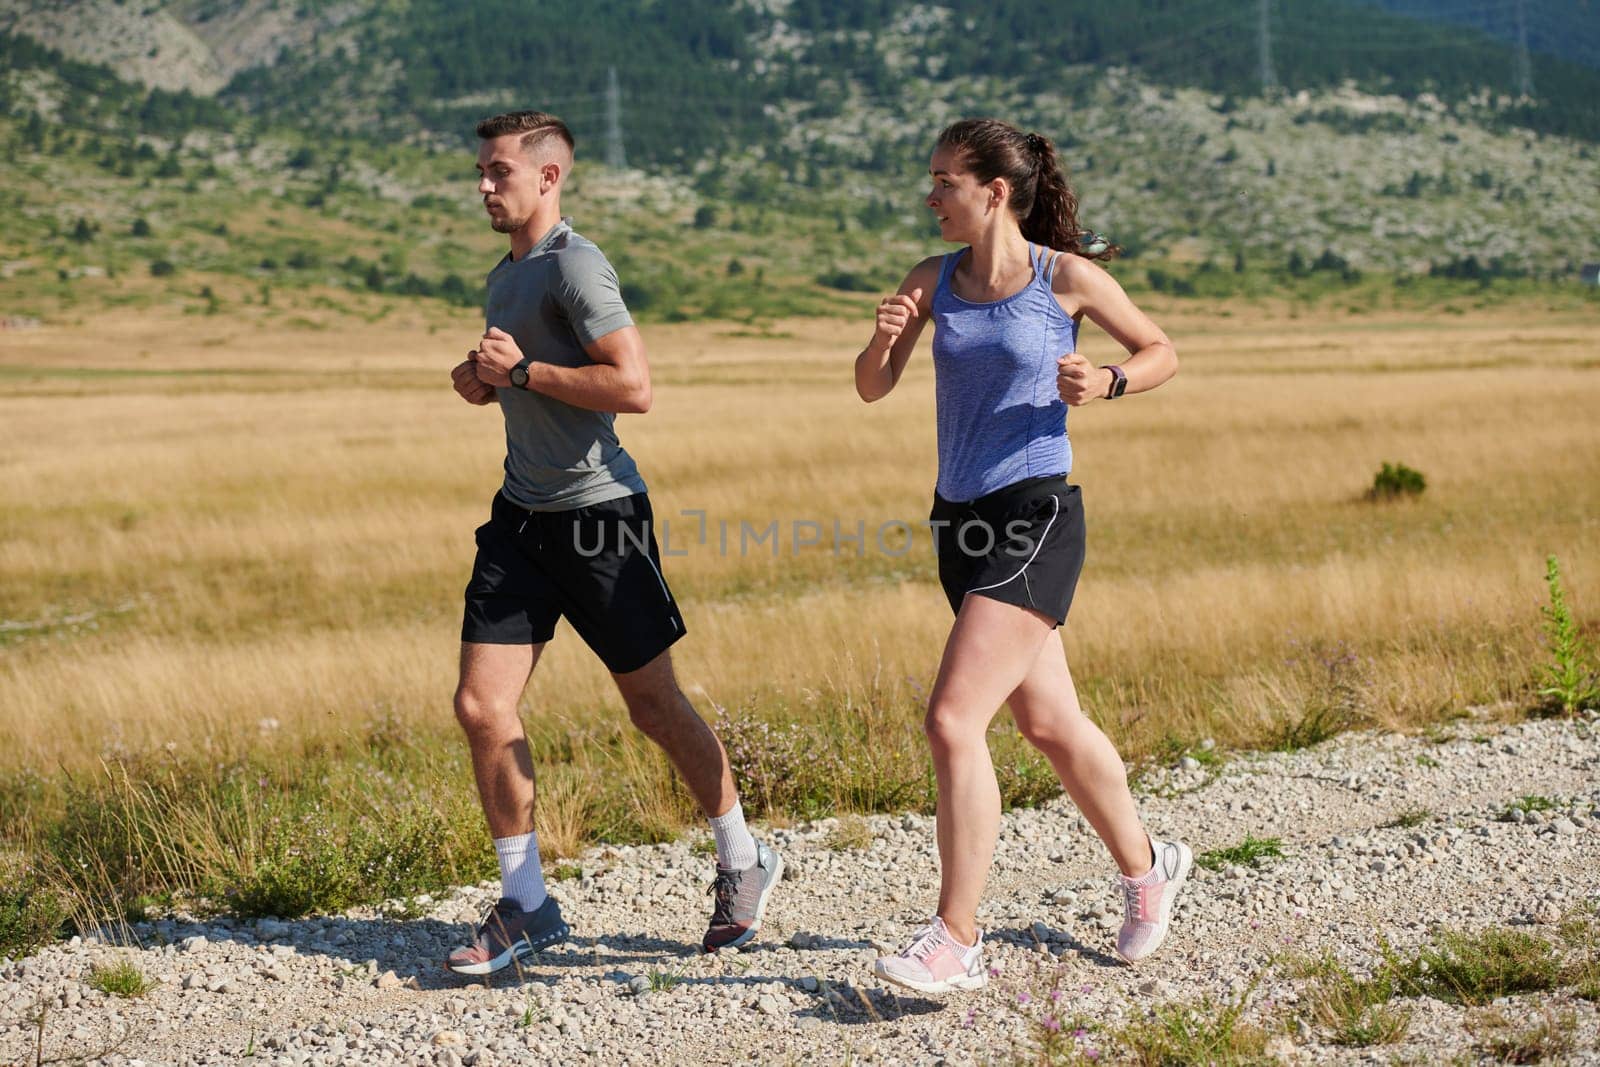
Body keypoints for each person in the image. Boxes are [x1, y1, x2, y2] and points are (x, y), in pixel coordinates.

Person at [853, 118, 1189, 994]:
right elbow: (870, 384)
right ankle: (1149, 866)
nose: (930, 197)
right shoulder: (932, 281)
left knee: (953, 718)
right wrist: (887, 335)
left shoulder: (1064, 278)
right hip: (957, 523)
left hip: (1035, 514)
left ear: (993, 191)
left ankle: (954, 938)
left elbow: (1161, 351)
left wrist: (1108, 380)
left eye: (944, 182)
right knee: (1048, 723)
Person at [444, 110, 781, 975]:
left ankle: (743, 857)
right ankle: (526, 903)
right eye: (480, 172)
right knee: (482, 707)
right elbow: (531, 381)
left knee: (653, 707)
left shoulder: (577, 266)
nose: (483, 185)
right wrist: (488, 383)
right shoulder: (505, 274)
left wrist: (521, 371)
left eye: (498, 173)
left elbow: (633, 386)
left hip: (601, 519)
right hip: (521, 519)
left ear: (549, 178)